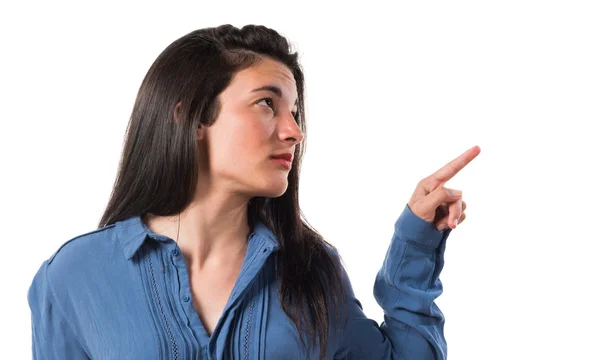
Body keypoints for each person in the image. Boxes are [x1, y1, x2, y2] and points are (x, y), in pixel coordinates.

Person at [27, 24, 480, 359]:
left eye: (295, 112)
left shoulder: (311, 272)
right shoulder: (72, 278)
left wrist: (415, 242)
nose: (294, 132)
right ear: (193, 118)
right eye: (267, 103)